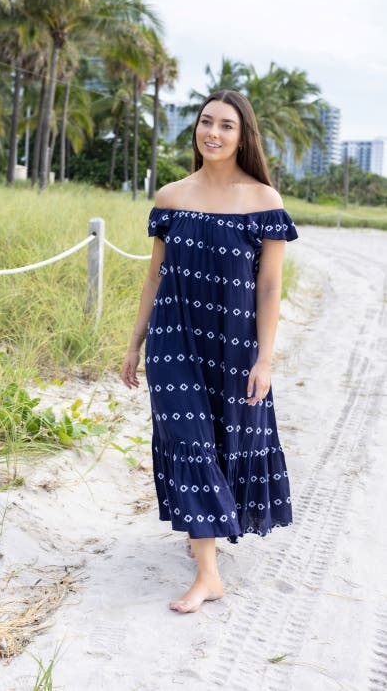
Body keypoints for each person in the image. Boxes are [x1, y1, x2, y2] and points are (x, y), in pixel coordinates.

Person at [121, 90, 298, 614]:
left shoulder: (264, 201)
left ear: (243, 136)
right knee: (190, 442)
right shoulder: (170, 197)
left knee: (223, 437)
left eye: (226, 125)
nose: (213, 133)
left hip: (233, 342)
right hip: (173, 339)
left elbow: (268, 288)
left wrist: (264, 358)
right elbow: (154, 275)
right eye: (205, 122)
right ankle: (208, 574)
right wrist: (135, 342)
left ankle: (204, 534)